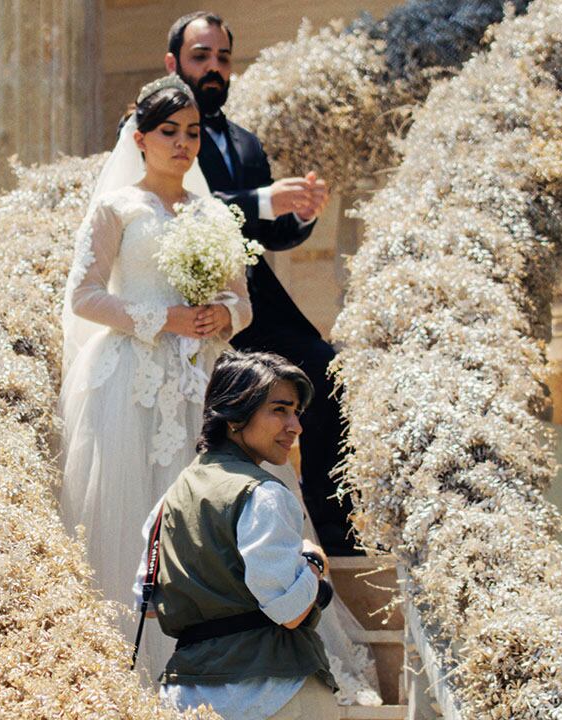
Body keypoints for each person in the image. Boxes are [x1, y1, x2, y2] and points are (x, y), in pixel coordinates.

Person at [58, 75, 252, 674]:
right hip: (129, 381)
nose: (182, 144)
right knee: (131, 505)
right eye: (169, 132)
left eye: (192, 133)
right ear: (140, 138)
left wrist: (220, 314)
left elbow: (243, 304)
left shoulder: (215, 213)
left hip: (201, 378)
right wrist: (160, 318)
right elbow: (84, 298)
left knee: (208, 504)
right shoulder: (117, 207)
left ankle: (218, 648)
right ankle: (127, 660)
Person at [164, 11, 358, 556]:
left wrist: (298, 213)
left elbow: (268, 230)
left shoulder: (244, 143)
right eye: (201, 56)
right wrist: (260, 201)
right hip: (182, 297)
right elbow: (180, 203)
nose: (213, 68)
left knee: (325, 366)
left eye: (222, 58)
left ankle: (335, 530)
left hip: (251, 299)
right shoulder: (156, 130)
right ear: (173, 62)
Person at [133, 351, 338, 720]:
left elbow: (147, 603)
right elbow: (289, 611)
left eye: (296, 413)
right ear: (234, 416)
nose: (295, 426)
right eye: (280, 410)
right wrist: (313, 562)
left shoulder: (170, 500)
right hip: (277, 693)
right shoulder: (263, 494)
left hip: (188, 699)